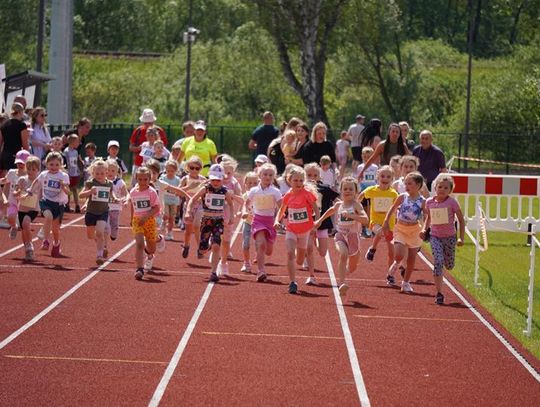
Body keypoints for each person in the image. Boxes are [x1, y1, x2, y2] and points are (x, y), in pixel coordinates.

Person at [314, 177, 368, 297]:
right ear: (341, 190)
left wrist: (352, 216)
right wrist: (319, 220)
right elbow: (330, 210)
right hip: (340, 235)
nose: (347, 191)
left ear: (356, 191)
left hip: (354, 237)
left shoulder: (357, 205)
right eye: (345, 189)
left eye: (350, 189)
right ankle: (342, 283)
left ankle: (345, 272)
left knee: (353, 267)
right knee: (343, 254)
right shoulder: (339, 204)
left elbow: (365, 220)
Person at [274, 165, 319, 294]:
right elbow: (282, 210)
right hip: (291, 229)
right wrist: (277, 220)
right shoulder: (288, 195)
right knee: (289, 253)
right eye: (295, 180)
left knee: (299, 260)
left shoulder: (307, 194)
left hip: (305, 230)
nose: (298, 183)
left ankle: (302, 258)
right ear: (290, 181)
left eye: (300, 180)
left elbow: (316, 209)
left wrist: (317, 221)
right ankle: (293, 282)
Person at [186, 163, 234, 283]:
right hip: (206, 221)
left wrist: (231, 216)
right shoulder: (205, 188)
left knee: (217, 245)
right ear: (209, 178)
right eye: (213, 179)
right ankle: (203, 247)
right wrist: (188, 211)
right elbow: (193, 199)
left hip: (218, 221)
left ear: (222, 179)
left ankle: (213, 272)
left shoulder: (224, 191)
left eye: (218, 179)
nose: (216, 182)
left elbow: (230, 203)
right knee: (203, 249)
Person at [421, 174, 465, 304]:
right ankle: (439, 293)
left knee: (449, 265)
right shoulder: (429, 202)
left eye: (446, 188)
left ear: (450, 190)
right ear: (435, 187)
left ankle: (448, 262)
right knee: (438, 261)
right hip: (435, 237)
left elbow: (461, 221)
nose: (442, 190)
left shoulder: (452, 202)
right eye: (440, 187)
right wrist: (424, 229)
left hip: (450, 237)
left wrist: (461, 238)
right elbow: (429, 218)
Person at [383, 172, 426, 293]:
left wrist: (424, 229)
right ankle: (396, 264)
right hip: (400, 228)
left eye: (410, 183)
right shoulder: (402, 197)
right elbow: (392, 208)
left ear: (418, 185)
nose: (406, 186)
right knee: (399, 255)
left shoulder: (423, 201)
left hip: (415, 231)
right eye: (405, 183)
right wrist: (386, 221)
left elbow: (428, 216)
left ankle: (405, 283)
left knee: (411, 259)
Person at [28, 151, 70, 257]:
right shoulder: (44, 174)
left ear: (61, 165)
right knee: (48, 216)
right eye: (51, 164)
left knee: (55, 229)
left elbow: (68, 192)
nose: (54, 167)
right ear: (46, 164)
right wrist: (30, 190)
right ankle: (45, 240)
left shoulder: (63, 176)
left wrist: (63, 186)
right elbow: (36, 182)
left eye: (57, 165)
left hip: (58, 204)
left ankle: (56, 243)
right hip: (46, 201)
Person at [245, 163, 282, 282]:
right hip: (258, 220)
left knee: (268, 250)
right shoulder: (254, 190)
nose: (267, 177)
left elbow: (282, 207)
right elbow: (246, 203)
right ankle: (261, 271)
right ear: (259, 175)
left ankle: (264, 255)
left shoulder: (275, 191)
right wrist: (246, 212)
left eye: (270, 175)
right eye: (265, 174)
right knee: (261, 245)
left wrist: (279, 220)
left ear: (273, 177)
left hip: (270, 221)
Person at [305, 163, 340, 284]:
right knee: (308, 249)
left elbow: (337, 199)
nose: (312, 177)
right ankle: (311, 275)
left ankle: (314, 240)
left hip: (322, 222)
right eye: (309, 175)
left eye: (315, 174)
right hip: (307, 222)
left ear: (320, 175)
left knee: (322, 252)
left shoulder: (325, 188)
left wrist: (344, 206)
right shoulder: (302, 189)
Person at [359, 165, 398, 269]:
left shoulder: (393, 194)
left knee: (391, 251)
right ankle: (373, 248)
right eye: (383, 176)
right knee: (380, 231)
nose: (385, 179)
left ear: (392, 179)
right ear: (377, 177)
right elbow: (362, 195)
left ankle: (390, 275)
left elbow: (397, 207)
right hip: (375, 222)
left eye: (388, 177)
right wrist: (356, 206)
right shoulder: (372, 190)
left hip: (389, 224)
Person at [79, 159, 114, 265]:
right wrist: (90, 191)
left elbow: (111, 195)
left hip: (103, 212)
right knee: (90, 235)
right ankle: (100, 243)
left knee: (99, 232)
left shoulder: (109, 184)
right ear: (93, 173)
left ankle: (99, 254)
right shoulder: (90, 183)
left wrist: (116, 198)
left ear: (106, 173)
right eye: (97, 173)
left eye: (102, 173)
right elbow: (81, 195)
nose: (99, 175)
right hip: (91, 212)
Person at [129, 167, 161, 280]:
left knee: (151, 249)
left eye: (145, 179)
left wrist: (146, 216)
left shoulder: (152, 192)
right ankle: (139, 269)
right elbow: (133, 205)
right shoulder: (133, 191)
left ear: (149, 179)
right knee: (139, 244)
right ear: (136, 179)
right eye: (140, 179)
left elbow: (157, 208)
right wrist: (132, 217)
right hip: (137, 221)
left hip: (149, 221)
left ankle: (157, 241)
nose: (142, 182)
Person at [129, 109, 168, 185]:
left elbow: (164, 149)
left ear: (153, 122)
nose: (147, 125)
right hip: (139, 163)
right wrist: (139, 148)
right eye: (146, 123)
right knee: (135, 184)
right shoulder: (138, 131)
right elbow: (131, 146)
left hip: (156, 166)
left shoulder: (160, 130)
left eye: (150, 123)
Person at [13, 155, 41, 260]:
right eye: (28, 169)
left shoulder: (39, 181)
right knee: (24, 230)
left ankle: (30, 245)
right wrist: (18, 192)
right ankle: (27, 249)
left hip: (33, 209)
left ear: (38, 170)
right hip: (22, 208)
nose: (30, 171)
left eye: (33, 169)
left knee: (26, 222)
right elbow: (15, 192)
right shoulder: (22, 180)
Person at [180, 155, 206, 258]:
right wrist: (188, 187)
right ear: (187, 167)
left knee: (197, 226)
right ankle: (186, 245)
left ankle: (200, 248)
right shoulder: (185, 179)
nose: (194, 170)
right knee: (188, 231)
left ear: (200, 168)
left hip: (199, 206)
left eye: (197, 168)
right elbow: (178, 191)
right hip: (188, 206)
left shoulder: (203, 179)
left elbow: (207, 193)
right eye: (192, 168)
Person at [1, 150, 30, 239]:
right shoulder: (12, 172)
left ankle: (27, 239)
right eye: (18, 163)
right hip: (12, 200)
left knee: (24, 223)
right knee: (10, 218)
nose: (20, 165)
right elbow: (6, 180)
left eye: (22, 163)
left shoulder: (30, 175)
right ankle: (14, 226)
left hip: (24, 202)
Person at [0, 102, 30, 176]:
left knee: (4, 178)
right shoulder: (22, 126)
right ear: (21, 112)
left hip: (5, 154)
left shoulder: (4, 125)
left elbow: (0, 142)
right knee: (15, 177)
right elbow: (25, 144)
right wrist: (28, 158)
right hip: (17, 155)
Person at [239, 171, 259, 273]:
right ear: (245, 184)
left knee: (258, 244)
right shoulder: (245, 195)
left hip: (259, 223)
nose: (252, 185)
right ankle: (246, 263)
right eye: (249, 183)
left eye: (255, 183)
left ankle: (259, 259)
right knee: (246, 244)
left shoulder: (261, 195)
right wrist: (242, 213)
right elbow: (243, 206)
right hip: (247, 222)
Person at [105, 159, 128, 242]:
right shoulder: (102, 181)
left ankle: (113, 235)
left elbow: (125, 193)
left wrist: (124, 199)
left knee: (114, 225)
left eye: (113, 171)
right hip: (105, 208)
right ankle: (104, 244)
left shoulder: (119, 182)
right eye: (108, 170)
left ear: (116, 171)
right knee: (105, 226)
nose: (110, 172)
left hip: (115, 208)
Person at [159, 160, 181, 240]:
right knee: (166, 215)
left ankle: (169, 232)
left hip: (174, 201)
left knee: (172, 218)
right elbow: (159, 186)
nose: (170, 172)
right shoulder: (163, 178)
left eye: (172, 171)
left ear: (176, 171)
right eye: (168, 171)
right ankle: (164, 221)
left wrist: (177, 192)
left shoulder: (177, 180)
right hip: (165, 200)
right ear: (165, 170)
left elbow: (180, 189)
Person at [63, 134, 82, 213]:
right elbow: (66, 162)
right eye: (77, 142)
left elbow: (76, 162)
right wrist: (66, 172)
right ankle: (67, 205)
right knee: (68, 189)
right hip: (69, 173)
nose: (79, 143)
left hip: (75, 173)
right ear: (73, 142)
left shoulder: (75, 151)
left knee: (74, 189)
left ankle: (77, 205)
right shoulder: (66, 151)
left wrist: (79, 170)